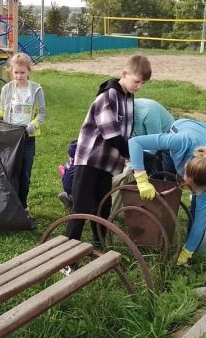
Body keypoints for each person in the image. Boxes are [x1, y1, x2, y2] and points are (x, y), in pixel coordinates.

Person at [65, 54, 152, 249]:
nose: (139, 86)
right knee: (80, 208)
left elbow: (126, 132)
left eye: (143, 83)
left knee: (102, 207)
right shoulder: (108, 95)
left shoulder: (129, 98)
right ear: (124, 73)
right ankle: (67, 258)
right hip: (89, 160)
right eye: (137, 81)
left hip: (107, 163)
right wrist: (134, 155)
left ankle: (99, 245)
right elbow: (112, 135)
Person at [128, 118, 206, 266]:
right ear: (185, 167)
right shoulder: (179, 141)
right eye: (189, 185)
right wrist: (141, 177)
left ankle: (188, 240)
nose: (190, 190)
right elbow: (135, 142)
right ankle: (162, 224)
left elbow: (201, 220)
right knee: (168, 181)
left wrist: (188, 251)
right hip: (182, 127)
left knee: (198, 208)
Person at [0, 52, 45, 208]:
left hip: (27, 138)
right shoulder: (7, 89)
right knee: (9, 171)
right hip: (9, 138)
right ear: (11, 71)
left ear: (29, 71)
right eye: (16, 72)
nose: (19, 76)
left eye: (22, 72)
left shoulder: (36, 90)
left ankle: (22, 205)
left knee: (24, 174)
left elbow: (41, 113)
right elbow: (2, 112)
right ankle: (8, 205)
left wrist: (33, 125)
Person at [132, 98, 175, 175]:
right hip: (143, 139)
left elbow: (154, 144)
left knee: (161, 172)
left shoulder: (148, 111)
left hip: (166, 137)